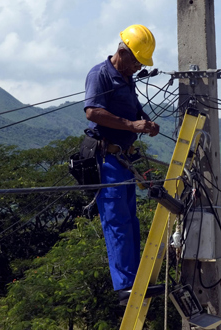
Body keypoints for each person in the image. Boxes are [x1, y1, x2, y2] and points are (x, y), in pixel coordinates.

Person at [84, 24, 163, 304]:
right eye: (136, 61)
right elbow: (92, 111)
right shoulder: (100, 74)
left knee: (130, 220)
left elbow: (132, 109)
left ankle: (136, 278)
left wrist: (145, 121)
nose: (137, 67)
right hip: (107, 159)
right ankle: (125, 286)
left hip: (124, 159)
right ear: (122, 52)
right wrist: (131, 124)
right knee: (117, 221)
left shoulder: (125, 78)